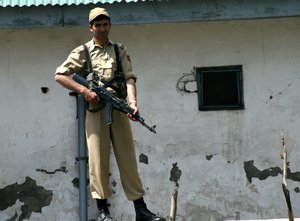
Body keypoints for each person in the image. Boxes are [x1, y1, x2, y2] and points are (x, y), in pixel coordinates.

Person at [54, 7, 166, 221]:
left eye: (105, 24)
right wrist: (85, 91)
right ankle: (103, 212)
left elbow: (130, 78)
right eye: (98, 25)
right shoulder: (82, 52)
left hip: (118, 109)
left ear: (110, 25)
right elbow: (59, 75)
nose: (102, 28)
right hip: (96, 112)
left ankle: (140, 210)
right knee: (97, 161)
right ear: (91, 27)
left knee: (128, 160)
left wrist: (132, 103)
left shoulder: (119, 50)